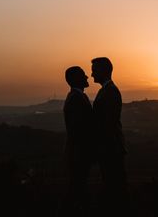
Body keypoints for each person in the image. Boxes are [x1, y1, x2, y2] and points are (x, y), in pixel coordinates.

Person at [91, 56, 127, 212]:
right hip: (109, 148)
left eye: (94, 71)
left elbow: (108, 124)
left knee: (114, 188)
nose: (92, 75)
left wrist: (102, 148)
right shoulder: (105, 91)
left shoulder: (110, 92)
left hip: (111, 149)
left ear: (102, 71)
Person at [63, 66, 94, 213]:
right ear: (75, 79)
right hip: (78, 154)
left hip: (78, 153)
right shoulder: (76, 99)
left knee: (78, 189)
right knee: (77, 190)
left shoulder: (79, 97)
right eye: (83, 75)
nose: (87, 77)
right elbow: (79, 130)